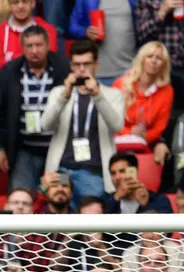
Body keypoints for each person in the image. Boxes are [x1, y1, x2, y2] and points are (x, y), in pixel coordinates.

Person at [0, 25, 70, 192]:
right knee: (20, 197)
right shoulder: (9, 72)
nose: (34, 50)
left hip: (59, 149)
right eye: (29, 46)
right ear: (22, 48)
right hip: (24, 149)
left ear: (48, 45)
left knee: (62, 195)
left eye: (39, 45)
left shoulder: (64, 68)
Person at [42, 39, 125, 202]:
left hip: (93, 172)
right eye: (77, 64)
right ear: (71, 66)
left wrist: (97, 95)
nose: (81, 70)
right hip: (63, 171)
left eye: (86, 64)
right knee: (63, 223)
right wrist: (64, 96)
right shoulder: (59, 92)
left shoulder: (113, 94)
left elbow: (117, 126)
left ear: (96, 65)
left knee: (91, 223)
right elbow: (45, 125)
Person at [111, 41, 173, 149]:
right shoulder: (120, 84)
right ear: (142, 59)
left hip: (146, 143)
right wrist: (129, 132)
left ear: (164, 64)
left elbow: (159, 128)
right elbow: (110, 119)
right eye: (149, 56)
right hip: (117, 142)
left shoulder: (167, 91)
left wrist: (144, 137)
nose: (154, 61)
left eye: (159, 58)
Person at [0, 0, 58, 82]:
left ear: (33, 3)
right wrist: (28, 59)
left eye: (25, 1)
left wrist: (10, 60)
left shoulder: (48, 30)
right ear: (9, 5)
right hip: (7, 89)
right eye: (15, 2)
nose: (20, 6)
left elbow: (47, 61)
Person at [68, 0, 138, 83]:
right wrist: (85, 32)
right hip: (98, 73)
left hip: (129, 71)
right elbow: (72, 27)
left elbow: (142, 28)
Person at [105, 151, 173, 213]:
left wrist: (146, 205)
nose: (117, 177)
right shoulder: (107, 200)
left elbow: (165, 224)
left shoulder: (159, 200)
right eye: (113, 173)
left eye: (122, 171)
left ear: (135, 172)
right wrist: (116, 197)